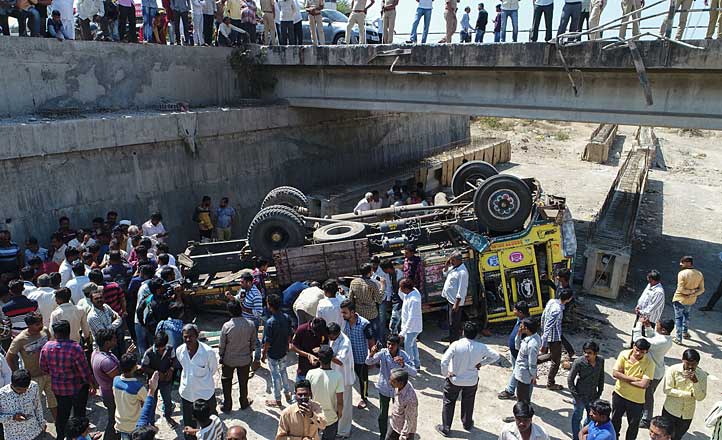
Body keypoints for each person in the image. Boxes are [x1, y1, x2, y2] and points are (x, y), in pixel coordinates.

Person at [437, 321, 499, 436]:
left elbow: (444, 361)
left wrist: (446, 373)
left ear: (463, 332)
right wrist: (482, 363)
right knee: (468, 402)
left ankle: (446, 428)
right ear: (476, 334)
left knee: (449, 402)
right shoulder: (481, 347)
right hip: (471, 381)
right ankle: (467, 423)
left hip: (454, 379)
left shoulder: (456, 344)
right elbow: (496, 356)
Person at [40, 320, 98, 440]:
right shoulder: (75, 348)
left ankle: (60, 436)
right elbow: (84, 371)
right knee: (79, 415)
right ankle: (79, 437)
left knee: (62, 415)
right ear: (69, 332)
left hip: (58, 389)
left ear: (55, 333)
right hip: (77, 388)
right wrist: (91, 383)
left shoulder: (46, 347)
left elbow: (43, 367)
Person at [6, 312, 57, 424]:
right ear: (29, 325)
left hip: (48, 374)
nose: (40, 326)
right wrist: (16, 372)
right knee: (33, 405)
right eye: (37, 324)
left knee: (54, 402)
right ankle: (36, 426)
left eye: (41, 322)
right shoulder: (20, 339)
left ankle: (59, 425)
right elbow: (9, 357)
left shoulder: (44, 331)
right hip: (33, 378)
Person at [367, 334, 417, 439]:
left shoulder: (403, 355)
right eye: (388, 344)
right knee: (383, 414)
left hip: (398, 392)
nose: (390, 347)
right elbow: (368, 362)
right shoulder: (383, 353)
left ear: (398, 345)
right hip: (384, 389)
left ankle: (396, 434)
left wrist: (404, 365)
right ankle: (383, 436)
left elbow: (414, 372)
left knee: (398, 415)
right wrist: (371, 353)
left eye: (393, 345)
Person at [177, 324, 219, 440]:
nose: (188, 339)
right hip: (187, 395)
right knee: (189, 426)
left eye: (191, 336)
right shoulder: (180, 350)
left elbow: (213, 369)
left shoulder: (208, 352)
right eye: (185, 337)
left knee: (210, 424)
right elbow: (183, 367)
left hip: (205, 395)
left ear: (197, 336)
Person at [611, 338, 654, 440]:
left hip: (636, 400)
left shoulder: (650, 363)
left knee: (633, 426)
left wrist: (623, 377)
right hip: (619, 394)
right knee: (615, 421)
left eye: (642, 352)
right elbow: (615, 373)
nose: (638, 353)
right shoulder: (624, 354)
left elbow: (643, 384)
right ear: (634, 346)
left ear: (646, 352)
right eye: (637, 349)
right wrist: (634, 379)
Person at [634, 318, 674, 429]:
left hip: (653, 373)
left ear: (664, 330)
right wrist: (647, 326)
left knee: (647, 396)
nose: (656, 326)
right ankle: (641, 412)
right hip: (656, 370)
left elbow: (639, 341)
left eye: (658, 325)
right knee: (645, 394)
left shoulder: (661, 342)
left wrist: (639, 324)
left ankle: (646, 419)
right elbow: (652, 336)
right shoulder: (664, 338)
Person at [662, 349, 707, 440]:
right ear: (682, 360)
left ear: (697, 363)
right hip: (670, 410)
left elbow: (700, 397)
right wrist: (689, 394)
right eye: (687, 364)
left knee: (677, 437)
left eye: (693, 364)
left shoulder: (702, 375)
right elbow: (667, 390)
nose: (690, 367)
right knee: (663, 435)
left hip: (687, 415)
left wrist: (695, 382)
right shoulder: (673, 370)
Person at [219, 299, 255, 412]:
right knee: (243, 381)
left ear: (229, 312)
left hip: (229, 360)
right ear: (240, 309)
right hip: (244, 360)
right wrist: (250, 355)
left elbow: (222, 345)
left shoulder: (226, 326)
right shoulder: (250, 324)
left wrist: (221, 357)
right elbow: (253, 343)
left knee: (226, 381)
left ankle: (227, 405)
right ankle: (244, 402)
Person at [341, 300, 375, 409]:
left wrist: (372, 358)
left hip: (361, 358)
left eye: (345, 313)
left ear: (352, 312)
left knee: (363, 379)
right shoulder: (345, 322)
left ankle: (364, 398)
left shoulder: (364, 324)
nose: (343, 315)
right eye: (342, 312)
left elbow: (371, 341)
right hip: (349, 357)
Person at [568, 341, 605, 440]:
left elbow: (601, 376)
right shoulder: (579, 362)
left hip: (593, 396)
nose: (586, 355)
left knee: (591, 418)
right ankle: (576, 437)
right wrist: (576, 395)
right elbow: (570, 379)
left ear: (595, 353)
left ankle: (584, 435)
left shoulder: (600, 361)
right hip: (580, 395)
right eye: (585, 352)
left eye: (589, 353)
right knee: (577, 417)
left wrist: (600, 391)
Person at [537, 289, 574, 391]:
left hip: (551, 336)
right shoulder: (557, 310)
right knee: (556, 361)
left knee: (552, 355)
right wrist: (543, 343)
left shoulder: (552, 302)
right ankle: (550, 383)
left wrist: (542, 331)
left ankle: (532, 362)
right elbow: (549, 325)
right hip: (554, 338)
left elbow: (543, 317)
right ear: (569, 299)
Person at [262, 294, 294, 407]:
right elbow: (290, 334)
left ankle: (278, 400)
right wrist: (288, 345)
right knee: (284, 371)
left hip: (273, 354)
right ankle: (288, 394)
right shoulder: (286, 317)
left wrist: (263, 354)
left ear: (270, 306)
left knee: (275, 376)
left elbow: (267, 342)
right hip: (283, 351)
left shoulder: (270, 322)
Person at [141, 331, 178, 427]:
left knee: (167, 400)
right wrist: (156, 373)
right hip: (153, 382)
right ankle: (151, 422)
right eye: (158, 347)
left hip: (166, 380)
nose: (160, 349)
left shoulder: (170, 349)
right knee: (152, 402)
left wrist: (171, 369)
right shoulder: (148, 353)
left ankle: (168, 416)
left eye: (162, 347)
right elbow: (144, 367)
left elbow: (174, 360)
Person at [307, 346, 344, 440]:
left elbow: (308, 395)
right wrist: (339, 414)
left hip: (314, 416)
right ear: (332, 358)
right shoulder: (338, 376)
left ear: (319, 359)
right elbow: (340, 401)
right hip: (331, 417)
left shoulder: (310, 373)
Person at [91, 328, 121, 440]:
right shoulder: (106, 361)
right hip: (111, 394)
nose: (116, 340)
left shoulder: (96, 352)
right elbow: (118, 377)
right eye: (113, 339)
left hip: (105, 390)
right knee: (114, 418)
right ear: (107, 342)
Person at [0, 369, 45, 440]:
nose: (23, 392)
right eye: (19, 389)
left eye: (26, 389)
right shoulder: (2, 395)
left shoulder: (33, 386)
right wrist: (12, 417)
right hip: (14, 436)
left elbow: (37, 406)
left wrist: (42, 423)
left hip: (35, 432)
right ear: (12, 384)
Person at [327, 322, 354, 439]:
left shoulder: (345, 343)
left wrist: (324, 354)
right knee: (335, 404)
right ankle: (335, 427)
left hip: (344, 379)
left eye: (330, 336)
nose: (329, 338)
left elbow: (339, 361)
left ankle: (343, 432)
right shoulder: (335, 337)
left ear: (336, 334)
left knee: (345, 406)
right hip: (335, 377)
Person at [498, 301, 530, 400]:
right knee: (515, 370)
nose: (513, 311)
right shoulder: (520, 319)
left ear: (520, 312)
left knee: (517, 371)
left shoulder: (527, 324)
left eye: (515, 310)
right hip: (514, 351)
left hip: (519, 352)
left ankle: (510, 391)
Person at [113, 353, 148, 438]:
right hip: (134, 426)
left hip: (120, 424)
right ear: (134, 367)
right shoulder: (138, 387)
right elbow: (148, 402)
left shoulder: (115, 380)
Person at [672, 256, 704, 345]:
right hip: (691, 300)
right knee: (686, 315)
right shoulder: (699, 274)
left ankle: (678, 338)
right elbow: (702, 290)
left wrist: (689, 292)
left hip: (680, 299)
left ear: (688, 263)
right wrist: (693, 293)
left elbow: (680, 289)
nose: (680, 264)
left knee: (678, 318)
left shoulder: (682, 274)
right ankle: (685, 332)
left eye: (682, 262)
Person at [350, 263, 383, 340]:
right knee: (375, 334)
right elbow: (379, 300)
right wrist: (382, 287)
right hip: (372, 313)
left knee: (363, 335)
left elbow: (350, 299)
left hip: (359, 313)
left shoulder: (353, 282)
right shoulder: (372, 284)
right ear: (369, 272)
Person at [441, 251, 468, 344]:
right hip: (450, 300)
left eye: (452, 260)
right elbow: (444, 273)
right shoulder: (454, 268)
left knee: (454, 324)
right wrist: (446, 265)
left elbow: (462, 290)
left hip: (455, 303)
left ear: (458, 260)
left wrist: (456, 304)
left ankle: (454, 344)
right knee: (450, 323)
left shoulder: (462, 272)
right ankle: (451, 338)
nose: (451, 261)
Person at [513, 317, 541, 404]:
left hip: (525, 375)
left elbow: (532, 362)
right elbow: (517, 346)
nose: (520, 326)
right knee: (521, 396)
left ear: (526, 329)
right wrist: (519, 334)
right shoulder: (529, 337)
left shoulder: (532, 344)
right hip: (521, 372)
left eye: (522, 325)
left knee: (522, 398)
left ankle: (522, 415)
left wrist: (533, 375)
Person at [291, 317, 328, 382]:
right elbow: (292, 347)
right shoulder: (301, 330)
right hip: (304, 370)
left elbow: (326, 345)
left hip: (319, 371)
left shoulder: (323, 330)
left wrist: (321, 349)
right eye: (316, 334)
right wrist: (308, 355)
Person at [386, 368, 417, 440]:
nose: (390, 382)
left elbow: (409, 419)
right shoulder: (400, 386)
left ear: (401, 383)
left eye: (393, 381)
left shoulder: (410, 399)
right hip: (394, 424)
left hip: (404, 431)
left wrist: (403, 436)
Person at [398, 278, 422, 370]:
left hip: (412, 328)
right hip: (410, 328)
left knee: (408, 348)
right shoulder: (410, 292)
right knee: (413, 345)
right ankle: (417, 364)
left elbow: (411, 318)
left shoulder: (414, 300)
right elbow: (401, 296)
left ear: (406, 288)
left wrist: (402, 333)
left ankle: (411, 366)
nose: (400, 289)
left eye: (401, 288)